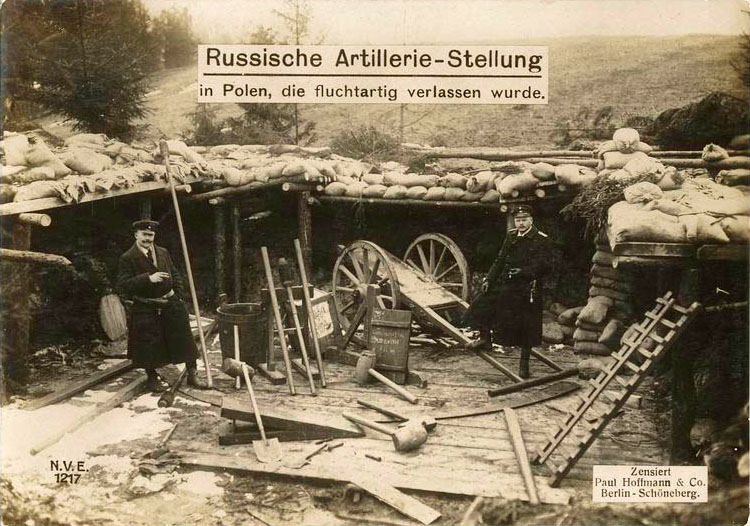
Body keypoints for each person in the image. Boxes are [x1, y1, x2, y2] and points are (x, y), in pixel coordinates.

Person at [117, 220, 208, 392]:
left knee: (184, 337)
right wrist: (147, 278)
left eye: (151, 235)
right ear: (136, 235)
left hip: (170, 301)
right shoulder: (128, 258)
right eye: (144, 235)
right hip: (147, 306)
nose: (148, 239)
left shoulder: (162, 252)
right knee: (148, 342)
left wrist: (179, 294)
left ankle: (192, 373)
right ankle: (152, 377)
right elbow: (122, 285)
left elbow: (174, 273)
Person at [463, 205, 553, 379]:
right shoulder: (511, 236)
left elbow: (546, 266)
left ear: (531, 220)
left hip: (527, 288)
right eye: (517, 220)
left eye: (524, 219)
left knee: (527, 327)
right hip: (506, 283)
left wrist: (524, 272)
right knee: (483, 302)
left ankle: (524, 366)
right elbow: (500, 259)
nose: (520, 223)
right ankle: (484, 338)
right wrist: (489, 279)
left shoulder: (542, 240)